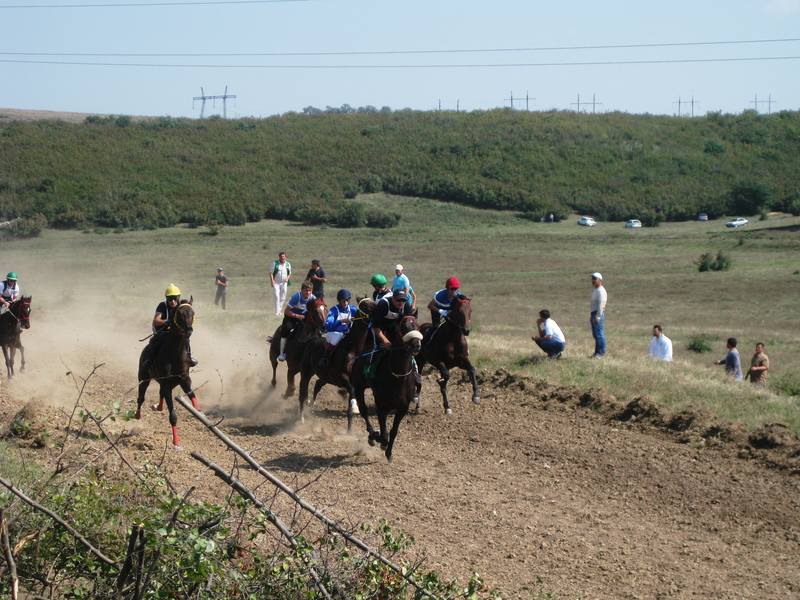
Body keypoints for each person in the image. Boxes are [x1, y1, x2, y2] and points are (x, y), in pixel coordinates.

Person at [146, 283, 197, 368]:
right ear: (166, 298)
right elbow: (156, 320)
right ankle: (149, 361)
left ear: (178, 297)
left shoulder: (181, 307)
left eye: (175, 298)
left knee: (185, 339)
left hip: (175, 332)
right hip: (162, 331)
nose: (173, 301)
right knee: (154, 341)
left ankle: (189, 357)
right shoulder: (162, 305)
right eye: (170, 299)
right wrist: (166, 322)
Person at [278, 280, 316, 361]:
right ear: (302, 290)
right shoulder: (297, 297)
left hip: (303, 318)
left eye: (310, 290)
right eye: (306, 290)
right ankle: (282, 353)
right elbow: (286, 311)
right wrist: (297, 316)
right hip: (291, 317)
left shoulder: (313, 298)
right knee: (286, 329)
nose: (308, 292)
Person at [589, 272, 608, 358]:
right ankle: (597, 352)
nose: (593, 281)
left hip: (597, 314)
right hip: (594, 313)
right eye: (592, 279)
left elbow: (602, 304)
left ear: (600, 280)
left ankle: (601, 352)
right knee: (596, 334)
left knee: (599, 334)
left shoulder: (601, 291)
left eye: (595, 279)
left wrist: (598, 316)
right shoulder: (596, 290)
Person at [270, 251, 292, 317]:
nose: (282, 257)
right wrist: (272, 281)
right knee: (277, 296)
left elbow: (290, 273)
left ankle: (279, 310)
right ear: (279, 257)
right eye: (281, 256)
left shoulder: (288, 264)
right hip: (276, 282)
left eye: (283, 256)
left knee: (283, 296)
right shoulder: (275, 263)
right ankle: (277, 313)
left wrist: (287, 278)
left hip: (284, 283)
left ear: (285, 257)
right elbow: (271, 273)